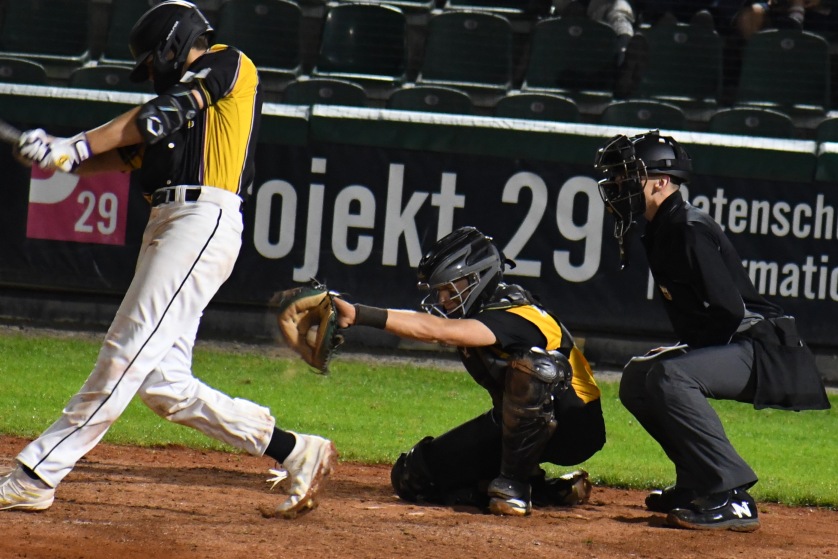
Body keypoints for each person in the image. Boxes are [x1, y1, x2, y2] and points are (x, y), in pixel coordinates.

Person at [1, 0, 336, 518]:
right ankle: (295, 451)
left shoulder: (229, 63)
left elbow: (158, 114)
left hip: (202, 219)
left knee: (124, 353)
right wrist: (53, 155)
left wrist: (75, 145)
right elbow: (120, 154)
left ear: (173, 44)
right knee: (164, 385)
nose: (152, 72)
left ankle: (37, 474)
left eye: (152, 61)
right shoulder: (172, 118)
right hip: (170, 223)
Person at [593, 130, 830, 531]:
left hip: (764, 348)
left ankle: (732, 495)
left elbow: (729, 311)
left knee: (670, 375)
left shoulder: (686, 227)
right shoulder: (663, 225)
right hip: (741, 343)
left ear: (661, 182)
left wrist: (687, 355)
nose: (619, 185)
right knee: (637, 376)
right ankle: (697, 482)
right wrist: (685, 351)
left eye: (628, 175)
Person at [333, 226, 606, 516]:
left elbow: (436, 330)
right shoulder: (481, 313)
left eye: (451, 290)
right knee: (412, 477)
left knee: (534, 368)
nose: (443, 300)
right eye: (441, 291)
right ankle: (546, 490)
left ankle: (513, 487)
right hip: (519, 424)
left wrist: (358, 314)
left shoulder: (514, 314)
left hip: (575, 426)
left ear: (479, 279)